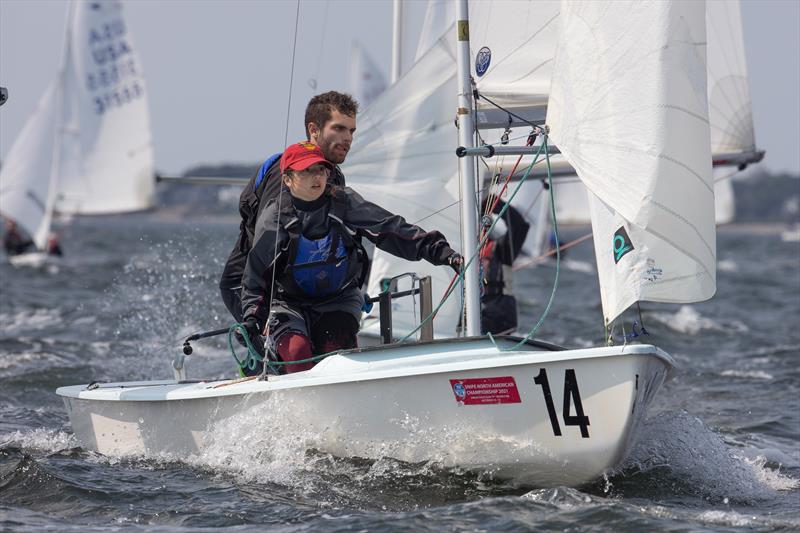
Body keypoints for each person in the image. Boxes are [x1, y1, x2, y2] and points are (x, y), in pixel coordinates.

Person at [239, 142, 463, 375]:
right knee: (297, 354)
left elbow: (390, 229)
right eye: (306, 171)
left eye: (320, 169)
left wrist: (443, 253)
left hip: (339, 299)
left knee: (334, 353)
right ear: (287, 179)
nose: (316, 177)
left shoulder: (343, 203)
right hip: (288, 304)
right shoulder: (275, 219)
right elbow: (256, 275)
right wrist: (252, 318)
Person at [219, 91, 359, 325]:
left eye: (351, 131)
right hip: (253, 286)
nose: (348, 138)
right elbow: (269, 243)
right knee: (291, 354)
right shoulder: (289, 175)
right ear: (314, 130)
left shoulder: (333, 176)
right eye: (339, 129)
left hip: (298, 288)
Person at [478, 198, 530, 334]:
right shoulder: (463, 251)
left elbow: (519, 226)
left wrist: (496, 203)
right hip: (473, 313)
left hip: (500, 314)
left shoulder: (503, 248)